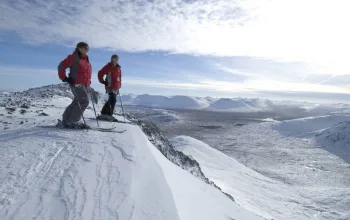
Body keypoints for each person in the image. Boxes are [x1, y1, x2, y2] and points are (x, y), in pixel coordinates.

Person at [57, 42, 92, 128]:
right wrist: (65, 78)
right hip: (77, 84)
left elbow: (86, 73)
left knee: (77, 101)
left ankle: (66, 119)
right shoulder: (74, 57)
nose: (86, 50)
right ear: (79, 48)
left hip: (84, 85)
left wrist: (88, 84)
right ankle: (74, 121)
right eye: (84, 48)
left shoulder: (85, 59)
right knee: (84, 101)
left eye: (87, 49)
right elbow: (61, 66)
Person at [97, 54, 122, 121]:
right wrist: (102, 81)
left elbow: (119, 78)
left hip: (116, 86)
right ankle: (108, 115)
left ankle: (103, 113)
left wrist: (119, 86)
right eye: (115, 58)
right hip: (110, 85)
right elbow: (100, 73)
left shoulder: (118, 68)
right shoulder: (108, 66)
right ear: (112, 59)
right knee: (113, 99)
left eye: (117, 59)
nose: (116, 60)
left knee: (111, 100)